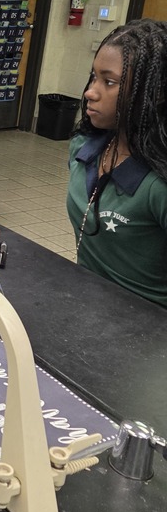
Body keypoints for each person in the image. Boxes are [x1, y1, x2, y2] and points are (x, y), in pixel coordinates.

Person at [68, 18, 167, 306]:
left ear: (153, 92)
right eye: (93, 77)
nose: (91, 91)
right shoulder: (83, 148)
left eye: (109, 82)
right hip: (85, 302)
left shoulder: (157, 183)